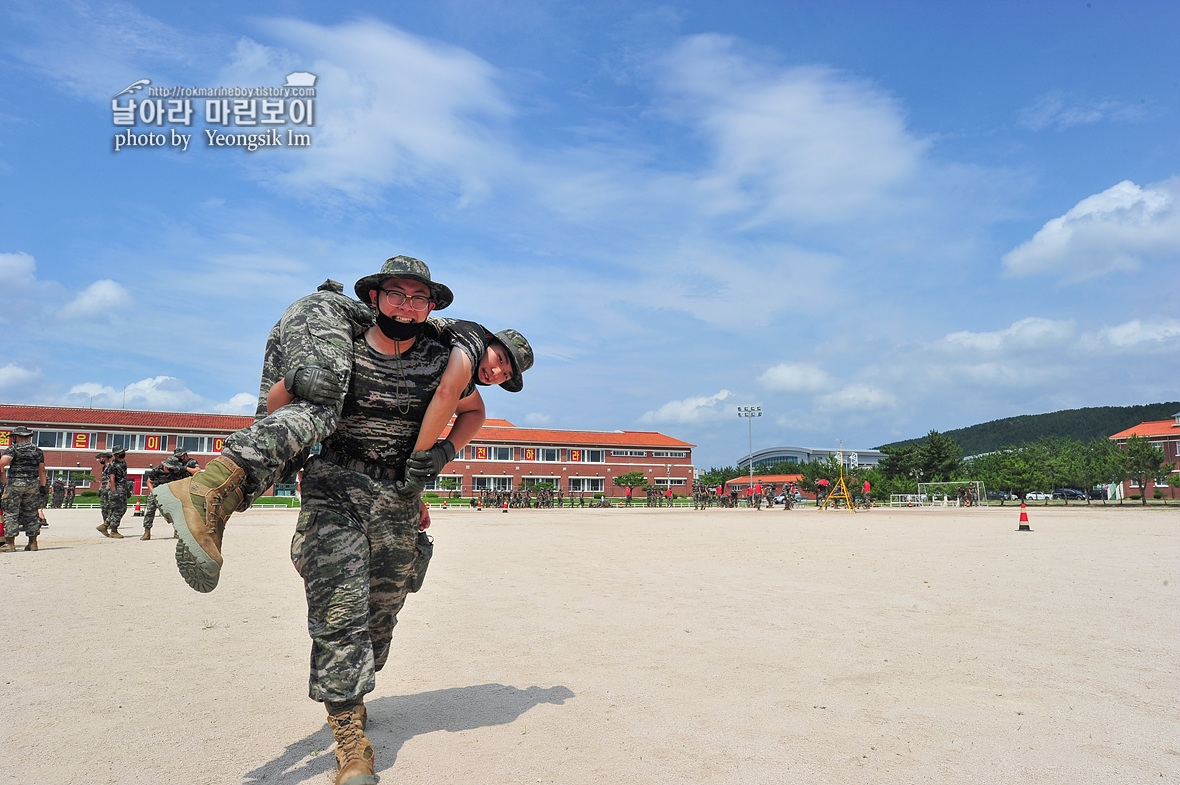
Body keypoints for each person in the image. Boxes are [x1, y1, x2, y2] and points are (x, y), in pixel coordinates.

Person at [157, 272, 533, 593]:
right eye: (500, 360)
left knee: (288, 449)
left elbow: (475, 409)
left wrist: (444, 453)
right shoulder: (469, 340)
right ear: (491, 340)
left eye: (506, 375)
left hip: (308, 321)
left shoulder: (434, 346)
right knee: (323, 403)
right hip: (319, 314)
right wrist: (420, 465)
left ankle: (213, 501)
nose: (497, 372)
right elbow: (449, 393)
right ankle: (207, 489)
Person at [283, 257, 491, 785]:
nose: (406, 305)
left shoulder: (437, 360)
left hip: (398, 497)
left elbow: (472, 409)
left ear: (430, 307)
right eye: (395, 294)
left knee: (383, 608)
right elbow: (283, 397)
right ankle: (349, 737)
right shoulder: (344, 352)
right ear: (374, 299)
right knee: (340, 606)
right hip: (336, 487)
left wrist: (444, 454)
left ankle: (354, 687)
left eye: (417, 298)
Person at [1, 426, 48, 552]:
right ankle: (32, 543)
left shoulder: (13, 448)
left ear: (15, 437)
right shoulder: (37, 450)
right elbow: (42, 470)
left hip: (15, 484)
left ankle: (10, 544)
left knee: (11, 513)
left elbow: (2, 463)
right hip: (33, 485)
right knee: (32, 513)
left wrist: (5, 482)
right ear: (28, 437)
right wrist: (43, 486)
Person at [141, 448, 199, 539]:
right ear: (166, 466)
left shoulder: (178, 470)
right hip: (158, 491)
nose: (174, 469)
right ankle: (147, 532)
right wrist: (153, 493)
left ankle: (177, 531)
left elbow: (190, 476)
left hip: (171, 492)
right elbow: (149, 482)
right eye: (172, 467)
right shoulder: (157, 470)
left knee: (177, 512)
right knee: (150, 511)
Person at [99, 447, 130, 538]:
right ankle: (113, 530)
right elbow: (111, 478)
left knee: (122, 509)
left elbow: (124, 477)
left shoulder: (123, 463)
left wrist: (127, 489)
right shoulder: (113, 465)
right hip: (116, 488)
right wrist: (114, 490)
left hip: (122, 488)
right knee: (117, 509)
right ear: (116, 454)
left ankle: (105, 526)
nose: (123, 453)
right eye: (121, 452)